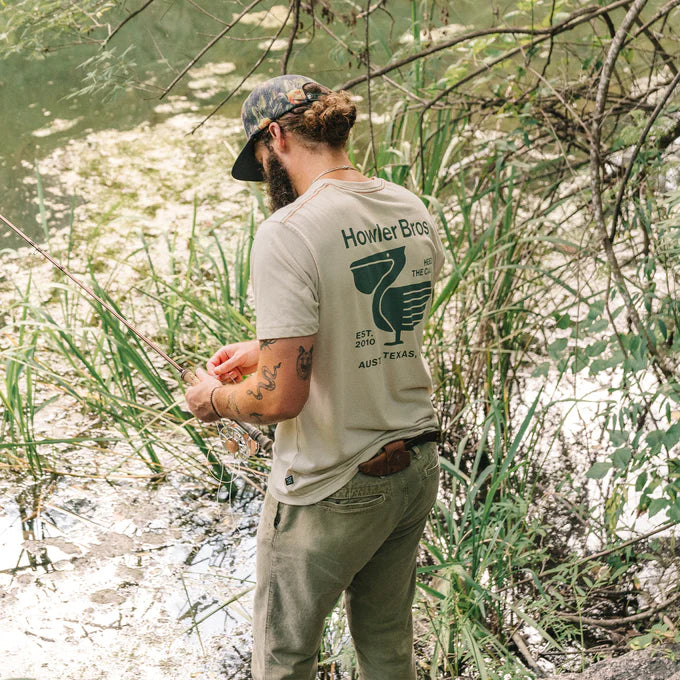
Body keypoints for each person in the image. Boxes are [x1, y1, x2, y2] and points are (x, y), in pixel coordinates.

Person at [185, 74, 444, 680]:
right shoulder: (407, 206)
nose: (266, 177)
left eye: (260, 159)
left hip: (332, 484)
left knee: (284, 659)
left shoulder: (289, 230)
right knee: (386, 644)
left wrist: (213, 398)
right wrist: (266, 346)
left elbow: (279, 397)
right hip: (414, 464)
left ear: (274, 136)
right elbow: (383, 322)